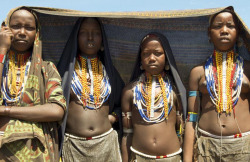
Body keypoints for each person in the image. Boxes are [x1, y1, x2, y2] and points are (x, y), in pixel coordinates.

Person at [183, 8, 250, 162]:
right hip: (207, 149)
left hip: (243, 148)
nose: (224, 31)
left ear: (238, 33)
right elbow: (191, 118)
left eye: (230, 26)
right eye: (218, 26)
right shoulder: (197, 72)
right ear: (209, 33)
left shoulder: (248, 69)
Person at [0, 7, 66, 161]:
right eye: (16, 26)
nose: (22, 32)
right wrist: (2, 49)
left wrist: (6, 110)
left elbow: (56, 110)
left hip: (35, 153)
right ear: (5, 29)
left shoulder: (47, 69)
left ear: (37, 34)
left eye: (29, 28)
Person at [57, 17, 124, 162]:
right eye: (83, 33)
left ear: (102, 40)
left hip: (106, 144)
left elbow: (124, 103)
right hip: (73, 145)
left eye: (96, 33)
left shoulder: (110, 73)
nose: (90, 37)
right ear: (76, 38)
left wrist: (113, 117)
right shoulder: (64, 72)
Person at [121, 32, 187, 162]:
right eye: (146, 53)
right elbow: (126, 134)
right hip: (139, 157)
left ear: (166, 58)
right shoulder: (130, 91)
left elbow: (182, 131)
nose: (151, 58)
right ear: (140, 59)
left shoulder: (176, 91)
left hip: (171, 158)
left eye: (157, 53)